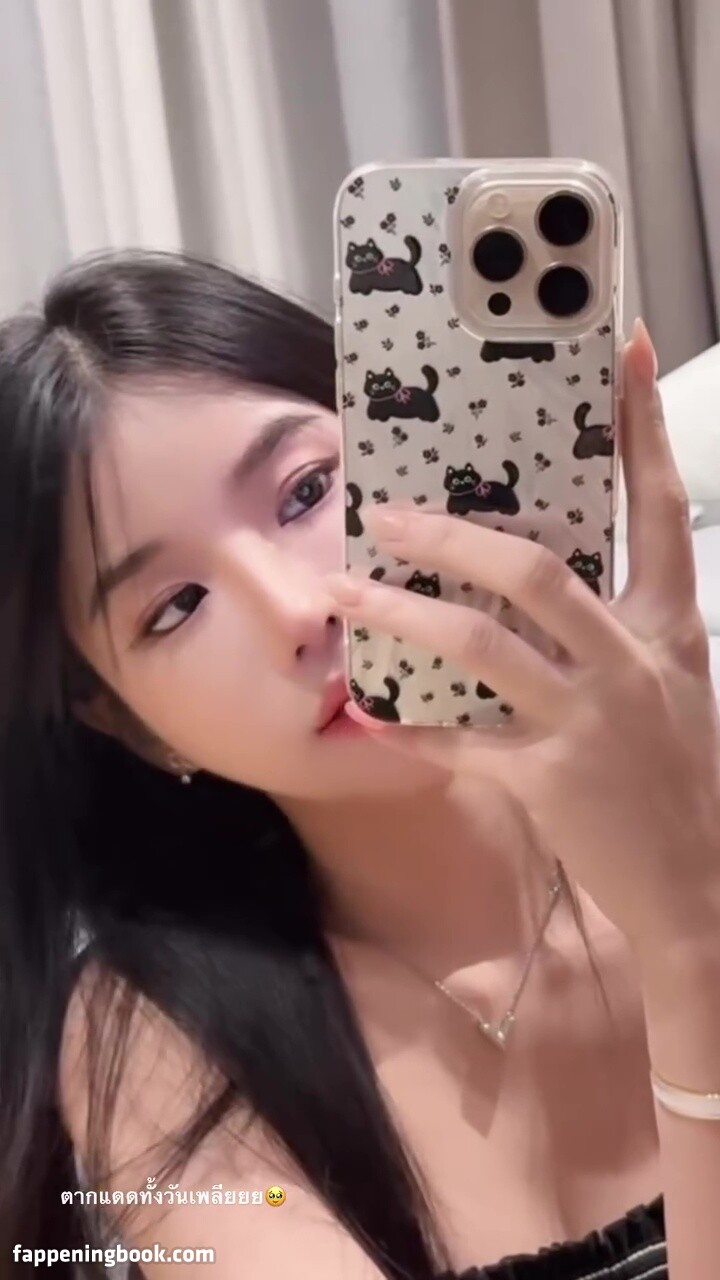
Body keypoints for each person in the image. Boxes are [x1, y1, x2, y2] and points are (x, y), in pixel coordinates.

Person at [0, 249, 718, 1280]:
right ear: (130, 723)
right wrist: (691, 941)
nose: (301, 610)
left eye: (306, 491)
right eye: (176, 606)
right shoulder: (156, 1037)